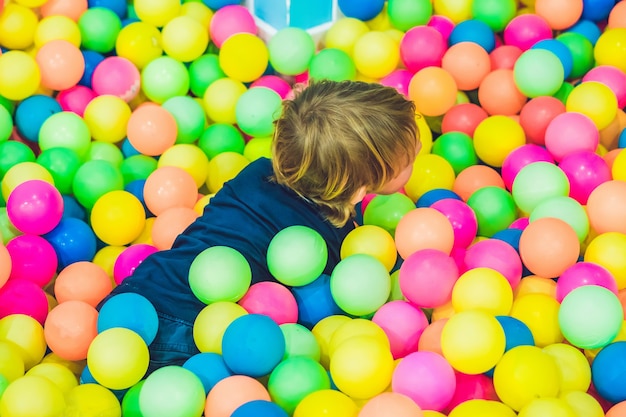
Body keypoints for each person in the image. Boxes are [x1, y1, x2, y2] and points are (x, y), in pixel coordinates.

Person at [102, 79, 421, 373]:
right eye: (408, 159)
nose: (419, 150)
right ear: (357, 191)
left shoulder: (255, 172)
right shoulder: (330, 237)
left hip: (134, 296)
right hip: (194, 334)